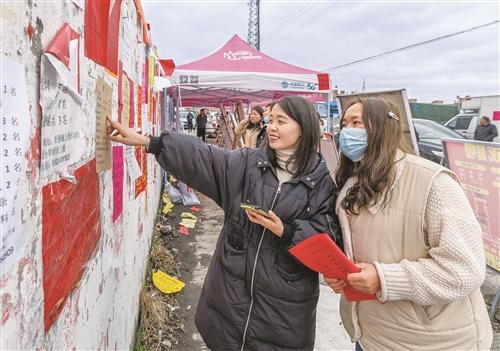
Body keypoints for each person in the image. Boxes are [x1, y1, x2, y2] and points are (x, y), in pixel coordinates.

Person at [107, 96, 339, 350]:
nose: (271, 127)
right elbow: (203, 157)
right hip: (229, 300)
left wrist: (285, 231)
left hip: (283, 314)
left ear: (303, 128)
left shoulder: (322, 183)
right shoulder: (249, 164)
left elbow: (326, 239)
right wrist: (149, 142)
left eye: (281, 121)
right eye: (270, 120)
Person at [324, 98, 492, 351]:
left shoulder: (434, 183)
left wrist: (383, 278)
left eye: (356, 122)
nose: (346, 131)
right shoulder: (351, 183)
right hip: (370, 334)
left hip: (430, 341)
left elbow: (465, 270)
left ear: (382, 126)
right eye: (344, 123)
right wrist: (342, 275)